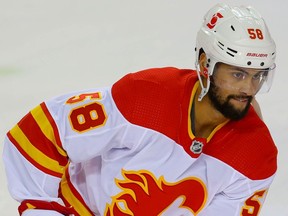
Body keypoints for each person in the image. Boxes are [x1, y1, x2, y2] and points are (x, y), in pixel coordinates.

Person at [3, 3, 277, 216]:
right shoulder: (145, 98)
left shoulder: (255, 157)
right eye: (238, 74)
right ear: (206, 64)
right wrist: (43, 208)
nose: (249, 89)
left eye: (257, 76)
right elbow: (39, 132)